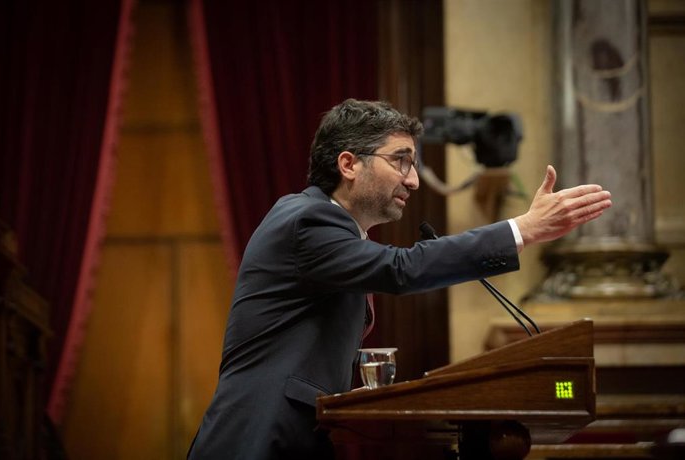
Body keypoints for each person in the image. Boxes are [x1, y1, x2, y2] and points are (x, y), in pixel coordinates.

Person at [187, 99, 612, 460]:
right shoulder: (307, 220)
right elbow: (401, 269)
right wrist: (521, 230)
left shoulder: (327, 228)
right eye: (401, 161)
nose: (412, 179)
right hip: (257, 437)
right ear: (349, 164)